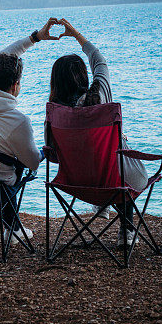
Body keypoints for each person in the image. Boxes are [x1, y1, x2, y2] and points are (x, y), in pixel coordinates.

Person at [46, 18, 147, 248]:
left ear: (55, 83)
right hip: (113, 181)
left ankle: (101, 204)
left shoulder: (55, 113)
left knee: (109, 156)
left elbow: (53, 156)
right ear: (83, 76)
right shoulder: (99, 95)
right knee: (120, 157)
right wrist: (77, 35)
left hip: (76, 183)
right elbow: (99, 61)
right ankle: (127, 230)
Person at [0, 17, 63, 242]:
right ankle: (13, 230)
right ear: (15, 85)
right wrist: (47, 150)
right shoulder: (17, 121)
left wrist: (35, 37)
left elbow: (6, 55)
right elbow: (33, 163)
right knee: (18, 168)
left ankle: (14, 228)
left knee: (0, 161)